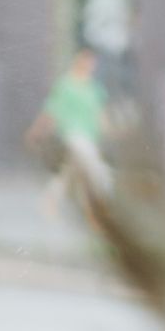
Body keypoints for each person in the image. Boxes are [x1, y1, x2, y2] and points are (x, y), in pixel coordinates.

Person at [25, 46, 113, 225]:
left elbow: (101, 116)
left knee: (70, 173)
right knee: (96, 171)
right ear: (78, 61)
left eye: (92, 62)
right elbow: (51, 111)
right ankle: (98, 209)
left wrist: (112, 130)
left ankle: (49, 202)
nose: (89, 65)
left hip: (89, 137)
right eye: (85, 60)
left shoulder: (94, 88)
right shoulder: (66, 84)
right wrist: (36, 131)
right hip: (73, 136)